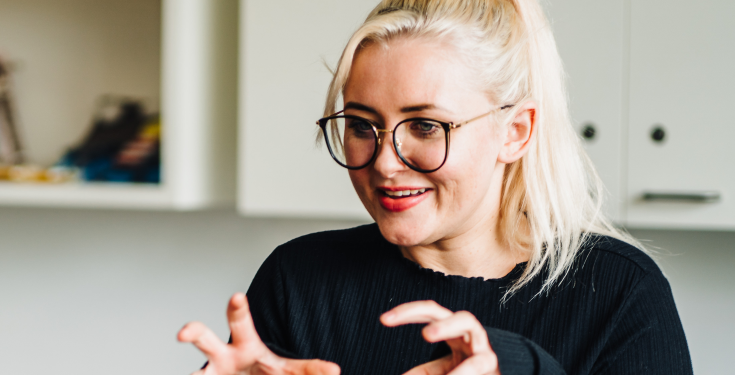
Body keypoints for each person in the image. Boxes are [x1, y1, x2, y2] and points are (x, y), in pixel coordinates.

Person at [177, 0, 692, 374]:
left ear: (516, 132)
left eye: (425, 127)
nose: (384, 163)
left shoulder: (620, 295)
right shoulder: (299, 281)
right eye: (361, 125)